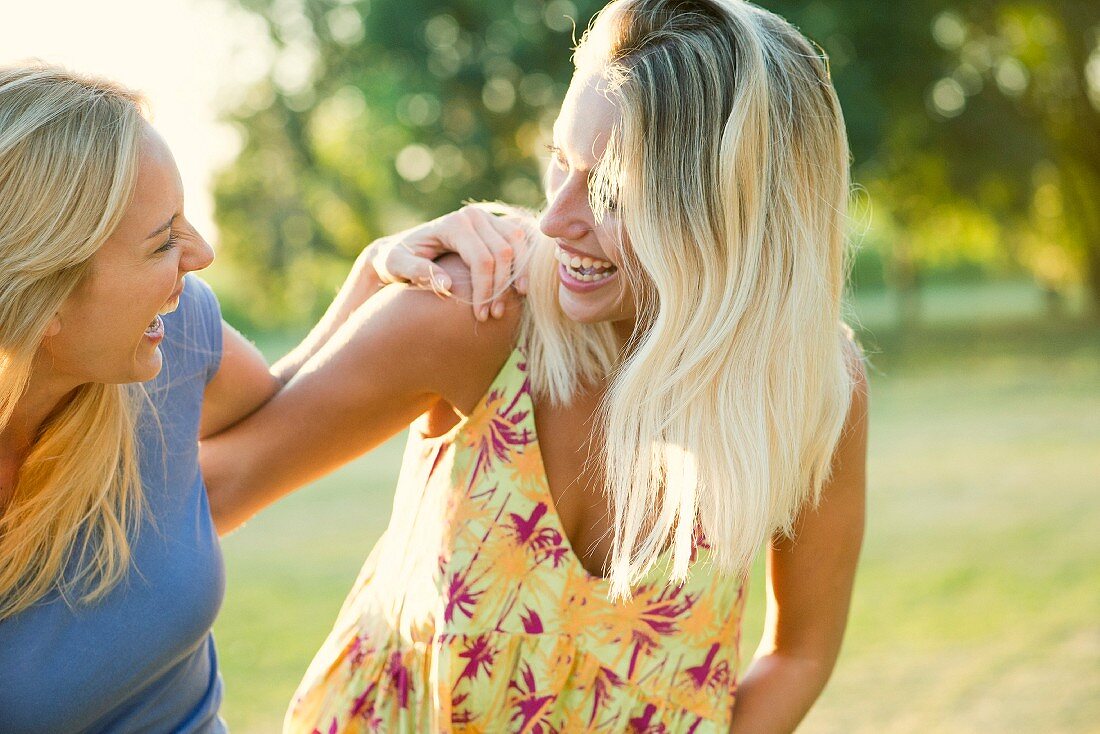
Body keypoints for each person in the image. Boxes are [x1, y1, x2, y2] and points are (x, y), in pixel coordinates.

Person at [202, 0, 870, 731]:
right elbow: (216, 492)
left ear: (730, 212)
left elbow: (801, 650)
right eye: (561, 163)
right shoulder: (476, 311)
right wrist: (368, 280)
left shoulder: (810, 386)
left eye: (610, 191)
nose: (556, 219)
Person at [0, 62, 520, 733]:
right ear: (43, 303)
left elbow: (283, 407)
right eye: (163, 243)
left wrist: (375, 274)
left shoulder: (170, 336)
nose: (203, 254)